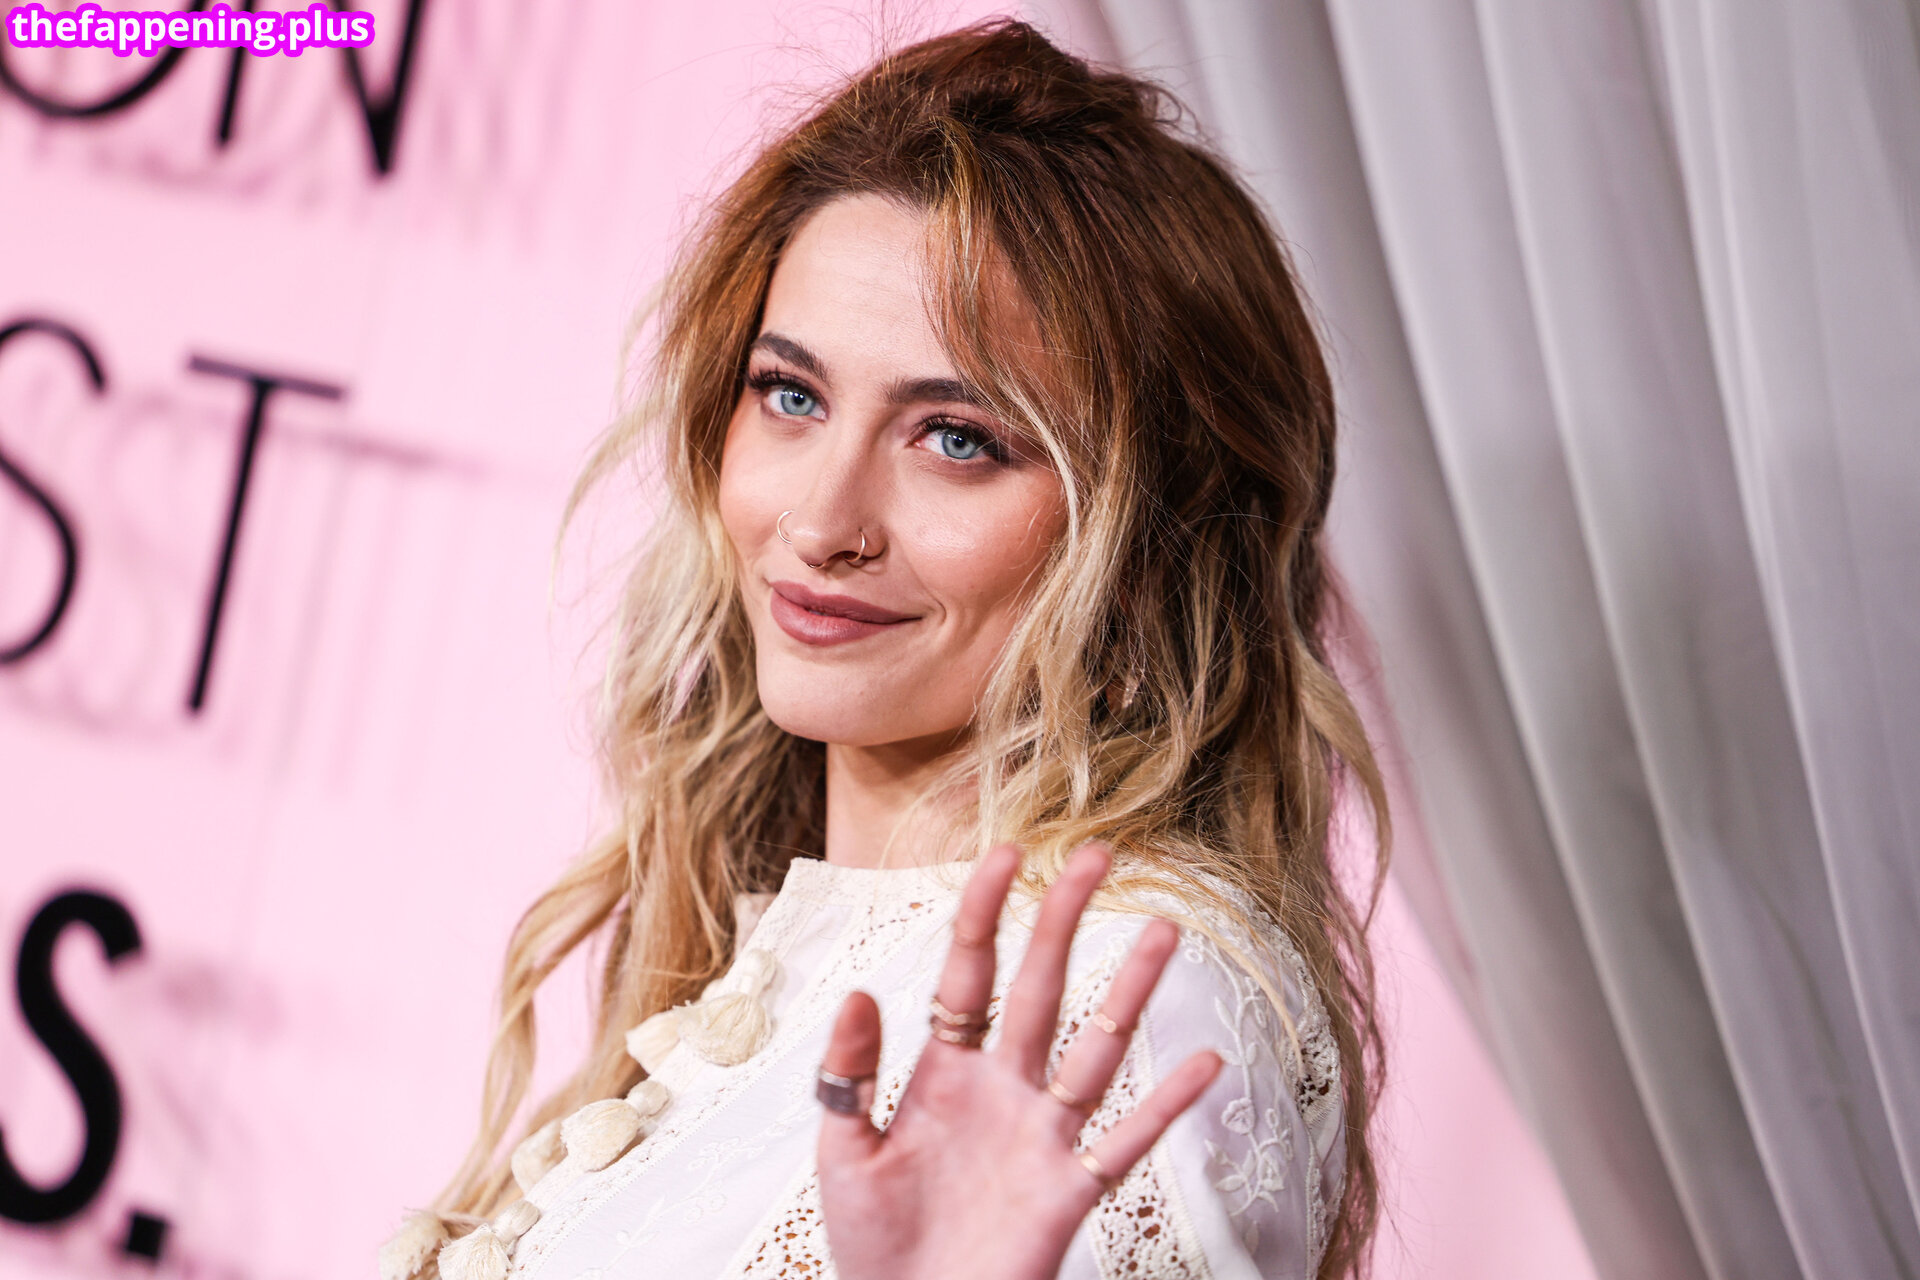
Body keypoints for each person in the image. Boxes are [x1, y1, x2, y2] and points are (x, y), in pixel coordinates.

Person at [378, 18, 1388, 1280]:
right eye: (790, 395)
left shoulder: (1128, 991)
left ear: (1151, 543)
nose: (820, 521)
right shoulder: (779, 946)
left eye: (956, 437)